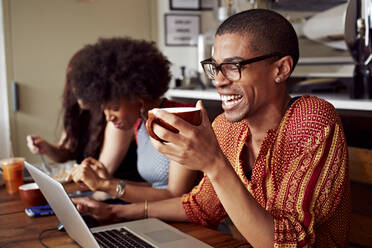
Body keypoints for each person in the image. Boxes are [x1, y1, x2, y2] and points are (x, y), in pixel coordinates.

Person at [72, 9, 351, 247]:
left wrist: (213, 162)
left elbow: (286, 243)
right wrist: (114, 212)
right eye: (214, 67)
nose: (218, 81)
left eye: (232, 67)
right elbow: (200, 206)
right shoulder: (229, 129)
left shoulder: (312, 119)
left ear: (280, 69)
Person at [66, 37, 200, 204]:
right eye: (104, 109)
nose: (108, 117)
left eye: (114, 108)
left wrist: (106, 185)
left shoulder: (181, 119)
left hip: (194, 224)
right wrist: (108, 181)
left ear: (136, 94)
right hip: (158, 216)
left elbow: (175, 195)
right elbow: (156, 187)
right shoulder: (140, 124)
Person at [26, 50, 139, 179]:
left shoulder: (117, 117)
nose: (75, 89)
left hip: (115, 192)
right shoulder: (78, 110)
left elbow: (101, 174)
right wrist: (46, 147)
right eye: (73, 82)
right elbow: (66, 152)